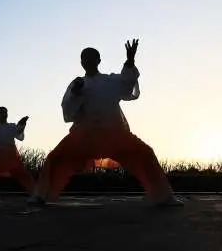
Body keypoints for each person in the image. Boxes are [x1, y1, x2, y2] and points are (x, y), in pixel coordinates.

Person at [28, 39, 183, 207]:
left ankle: (164, 197)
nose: (87, 61)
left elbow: (127, 85)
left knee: (145, 154)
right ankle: (40, 195)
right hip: (85, 136)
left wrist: (130, 61)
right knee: (55, 157)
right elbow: (68, 112)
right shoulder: (78, 84)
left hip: (114, 134)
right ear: (81, 62)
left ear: (98, 60)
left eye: (91, 57)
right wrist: (75, 94)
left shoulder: (110, 81)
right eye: (84, 58)